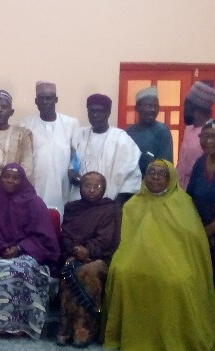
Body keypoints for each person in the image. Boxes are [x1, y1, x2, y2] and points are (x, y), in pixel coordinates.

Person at [104, 159, 215, 350]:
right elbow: (125, 239)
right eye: (151, 172)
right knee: (121, 273)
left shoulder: (183, 203)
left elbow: (192, 241)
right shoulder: (133, 203)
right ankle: (132, 336)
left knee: (175, 281)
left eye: (161, 173)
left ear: (170, 178)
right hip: (134, 258)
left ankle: (171, 336)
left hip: (176, 260)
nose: (155, 177)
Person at [0, 163, 59, 339]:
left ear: (22, 180)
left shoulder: (34, 202)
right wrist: (2, 247)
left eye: (15, 178)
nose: (10, 181)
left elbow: (45, 238)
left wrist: (20, 247)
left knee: (19, 268)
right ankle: (2, 323)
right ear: (0, 179)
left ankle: (23, 324)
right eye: (6, 177)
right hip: (0, 250)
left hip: (30, 253)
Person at [57, 172, 120, 347]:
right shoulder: (72, 208)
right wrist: (75, 250)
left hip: (100, 257)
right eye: (87, 186)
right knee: (70, 268)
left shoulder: (110, 208)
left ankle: (84, 330)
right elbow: (66, 234)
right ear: (80, 188)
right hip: (74, 254)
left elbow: (107, 238)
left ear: (104, 188)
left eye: (97, 186)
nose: (91, 190)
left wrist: (88, 251)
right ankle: (65, 329)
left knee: (87, 271)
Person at [69, 94, 141, 204]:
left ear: (108, 113)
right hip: (79, 203)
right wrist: (72, 173)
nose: (95, 115)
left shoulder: (121, 139)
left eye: (100, 111)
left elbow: (131, 178)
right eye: (91, 111)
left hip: (108, 203)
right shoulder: (79, 135)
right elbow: (73, 164)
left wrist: (115, 206)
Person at [20, 81, 79, 213]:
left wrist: (72, 169)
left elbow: (76, 154)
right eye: (41, 99)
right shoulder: (26, 124)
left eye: (49, 98)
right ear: (36, 101)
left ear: (56, 100)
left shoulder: (71, 124)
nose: (45, 102)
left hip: (62, 184)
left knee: (61, 219)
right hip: (35, 184)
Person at [0, 90, 33, 196]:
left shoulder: (22, 134)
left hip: (14, 194)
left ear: (11, 112)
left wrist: (11, 185)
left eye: (4, 107)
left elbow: (27, 167)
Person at [187, 121, 215, 281]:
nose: (208, 141)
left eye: (213, 137)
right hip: (200, 234)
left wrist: (208, 231)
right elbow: (190, 196)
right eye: (204, 137)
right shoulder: (200, 162)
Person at [126, 86, 174, 175]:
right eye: (148, 106)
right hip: (131, 185)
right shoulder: (129, 132)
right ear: (137, 108)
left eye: (156, 106)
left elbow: (166, 165)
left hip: (153, 185)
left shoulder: (162, 131)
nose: (153, 110)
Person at [178, 81, 215, 189]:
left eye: (186, 106)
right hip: (181, 191)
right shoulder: (189, 129)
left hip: (200, 190)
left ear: (196, 108)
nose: (184, 110)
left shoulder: (211, 133)